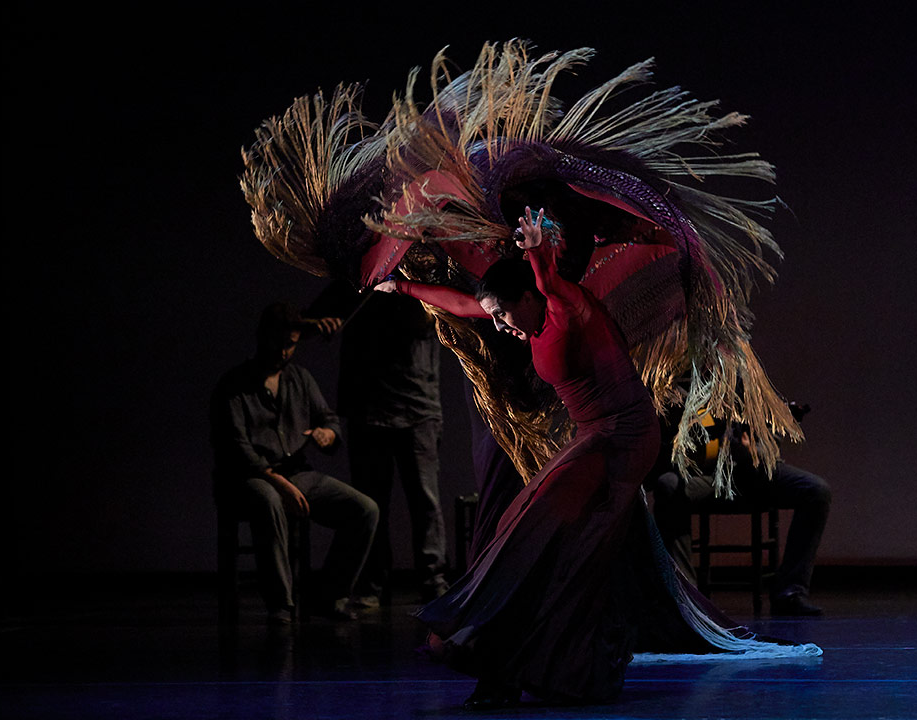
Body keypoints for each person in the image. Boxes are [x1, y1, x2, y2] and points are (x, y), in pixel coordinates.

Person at [377, 208, 820, 707]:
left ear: (527, 296)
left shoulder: (566, 304)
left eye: (504, 313)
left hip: (624, 437)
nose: (500, 325)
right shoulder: (520, 313)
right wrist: (403, 289)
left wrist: (537, 249)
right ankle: (519, 664)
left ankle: (520, 666)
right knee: (546, 539)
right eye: (495, 315)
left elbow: (546, 279)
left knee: (538, 534)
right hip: (595, 437)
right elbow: (462, 304)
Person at [210, 302, 379, 624]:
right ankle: (281, 604)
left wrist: (327, 434)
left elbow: (328, 419)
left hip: (296, 472)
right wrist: (278, 482)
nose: (285, 351)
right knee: (269, 499)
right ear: (263, 337)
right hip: (249, 477)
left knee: (365, 509)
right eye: (279, 343)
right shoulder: (234, 385)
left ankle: (328, 593)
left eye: (291, 344)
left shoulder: (298, 378)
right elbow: (236, 449)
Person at [306, 284, 449, 605]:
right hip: (367, 405)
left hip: (417, 406)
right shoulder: (358, 273)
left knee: (425, 501)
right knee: (372, 501)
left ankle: (432, 579)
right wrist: (318, 325)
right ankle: (372, 581)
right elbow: (310, 318)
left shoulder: (421, 276)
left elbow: (428, 322)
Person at [646, 407, 832, 616]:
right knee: (668, 486)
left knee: (815, 490)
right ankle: (686, 597)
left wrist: (752, 451)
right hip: (706, 476)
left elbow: (771, 445)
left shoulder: (750, 384)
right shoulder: (682, 388)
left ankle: (789, 593)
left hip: (751, 474)